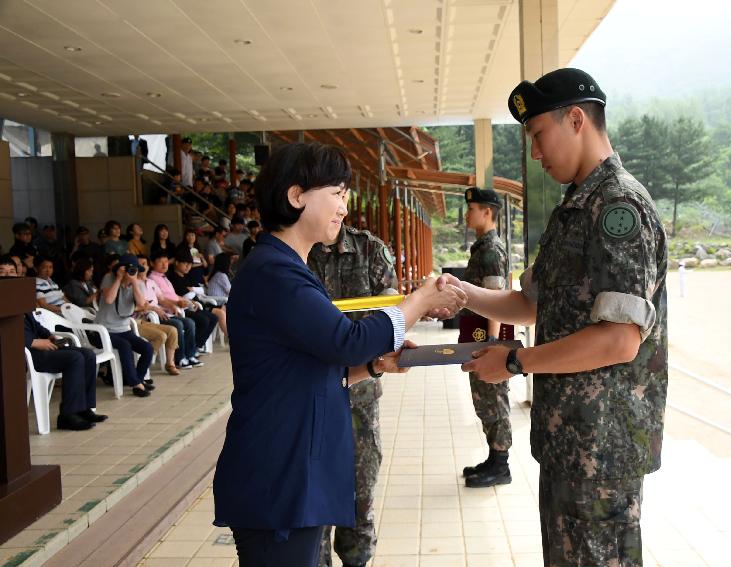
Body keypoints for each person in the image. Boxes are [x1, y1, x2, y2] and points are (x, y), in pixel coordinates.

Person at [439, 68, 668, 567]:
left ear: (577, 119)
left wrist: (517, 361)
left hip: (603, 448)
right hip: (570, 441)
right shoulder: (576, 208)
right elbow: (531, 304)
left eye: (539, 136)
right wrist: (464, 293)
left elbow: (619, 340)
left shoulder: (618, 207)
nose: (536, 153)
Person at [212, 142, 466, 566]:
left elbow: (307, 369)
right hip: (280, 477)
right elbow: (345, 341)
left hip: (291, 473)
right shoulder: (275, 273)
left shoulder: (286, 268)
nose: (344, 208)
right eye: (337, 194)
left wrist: (373, 365)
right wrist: (419, 302)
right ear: (297, 197)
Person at [308, 217, 398, 567]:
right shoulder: (295, 252)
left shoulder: (370, 249)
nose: (339, 205)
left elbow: (392, 311)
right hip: (310, 398)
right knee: (313, 503)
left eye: (343, 195)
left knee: (360, 495)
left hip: (359, 397)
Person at [456, 186, 514, 488]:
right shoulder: (482, 247)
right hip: (477, 336)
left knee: (493, 397)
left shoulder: (491, 251)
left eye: (472, 208)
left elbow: (494, 298)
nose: (468, 214)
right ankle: (494, 457)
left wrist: (491, 345)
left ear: (487, 212)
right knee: (484, 399)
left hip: (487, 338)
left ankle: (501, 464)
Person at [24, 312, 107, 431]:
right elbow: (9, 332)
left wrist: (50, 336)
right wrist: (33, 342)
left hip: (42, 348)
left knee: (88, 355)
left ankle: (84, 408)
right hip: (31, 354)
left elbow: (35, 325)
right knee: (74, 358)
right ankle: (67, 415)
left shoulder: (22, 306)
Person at [94, 254, 154, 397]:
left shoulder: (137, 283)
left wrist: (133, 282)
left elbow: (140, 304)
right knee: (124, 345)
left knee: (147, 348)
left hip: (123, 329)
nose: (130, 272)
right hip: (103, 330)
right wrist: (119, 278)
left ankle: (137, 380)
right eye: (128, 269)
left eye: (133, 269)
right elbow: (108, 299)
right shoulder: (109, 278)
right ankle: (136, 384)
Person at [145, 252, 202, 370]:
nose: (164, 264)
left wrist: (175, 304)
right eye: (161, 262)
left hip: (168, 311)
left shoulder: (160, 278)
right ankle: (179, 358)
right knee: (178, 324)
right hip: (154, 315)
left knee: (190, 323)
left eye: (166, 261)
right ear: (152, 264)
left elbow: (164, 298)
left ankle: (190, 355)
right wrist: (173, 305)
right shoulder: (152, 278)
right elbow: (156, 302)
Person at [133, 256, 181, 376]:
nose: (143, 266)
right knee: (162, 335)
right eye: (140, 264)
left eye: (145, 263)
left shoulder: (151, 282)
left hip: (149, 317)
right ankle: (143, 366)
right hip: (139, 319)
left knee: (173, 330)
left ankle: (170, 364)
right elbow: (138, 306)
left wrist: (172, 305)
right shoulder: (133, 284)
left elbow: (162, 299)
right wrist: (153, 308)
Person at [167, 253, 221, 346]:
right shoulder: (171, 277)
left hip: (195, 304)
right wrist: (192, 293)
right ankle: (193, 346)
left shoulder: (187, 276)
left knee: (214, 318)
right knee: (204, 320)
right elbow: (182, 294)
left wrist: (192, 291)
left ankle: (197, 345)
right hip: (183, 307)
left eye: (190, 264)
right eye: (185, 264)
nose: (188, 267)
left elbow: (202, 289)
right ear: (176, 263)